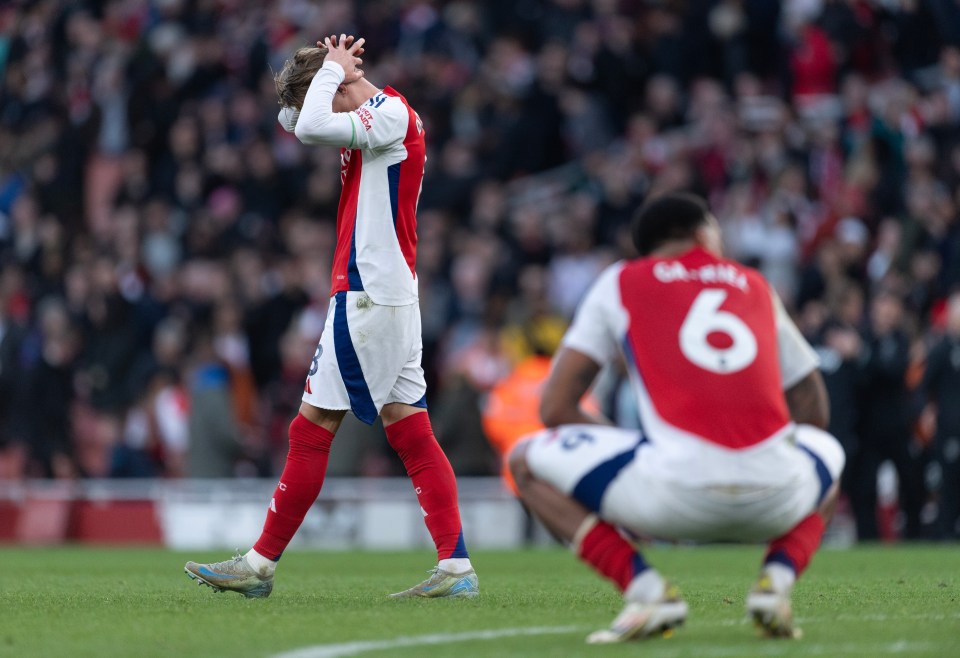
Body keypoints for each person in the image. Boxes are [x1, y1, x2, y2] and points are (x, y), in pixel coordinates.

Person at [184, 34, 477, 599]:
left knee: (311, 427)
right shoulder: (364, 111)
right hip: (388, 293)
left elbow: (311, 125)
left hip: (368, 294)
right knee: (412, 430)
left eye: (331, 90)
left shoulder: (390, 113)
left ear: (342, 88)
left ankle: (259, 564)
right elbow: (295, 119)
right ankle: (456, 568)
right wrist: (327, 70)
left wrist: (333, 73)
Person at [508, 193, 845, 643]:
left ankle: (645, 589)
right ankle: (777, 580)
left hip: (670, 495)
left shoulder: (621, 281)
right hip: (775, 498)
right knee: (829, 452)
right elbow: (812, 406)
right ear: (704, 233)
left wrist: (631, 457)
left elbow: (555, 408)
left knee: (524, 460)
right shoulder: (753, 284)